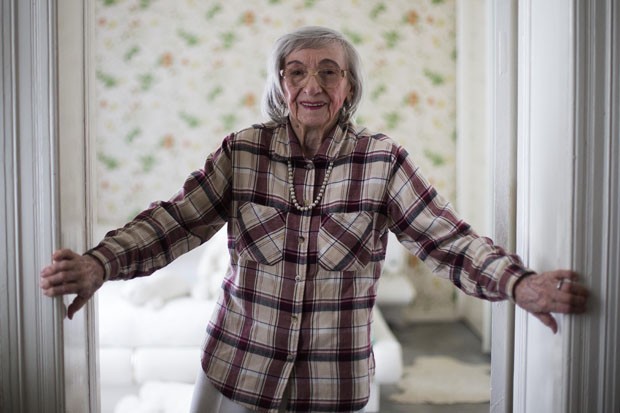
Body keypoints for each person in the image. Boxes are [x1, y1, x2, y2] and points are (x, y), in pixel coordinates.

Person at [40, 26, 589, 413]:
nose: (313, 86)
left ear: (348, 88)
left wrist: (519, 284)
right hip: (238, 374)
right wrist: (98, 264)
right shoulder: (243, 151)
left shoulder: (382, 160)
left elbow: (446, 238)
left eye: (330, 72)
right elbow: (177, 222)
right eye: (297, 72)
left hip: (333, 387)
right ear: (280, 84)